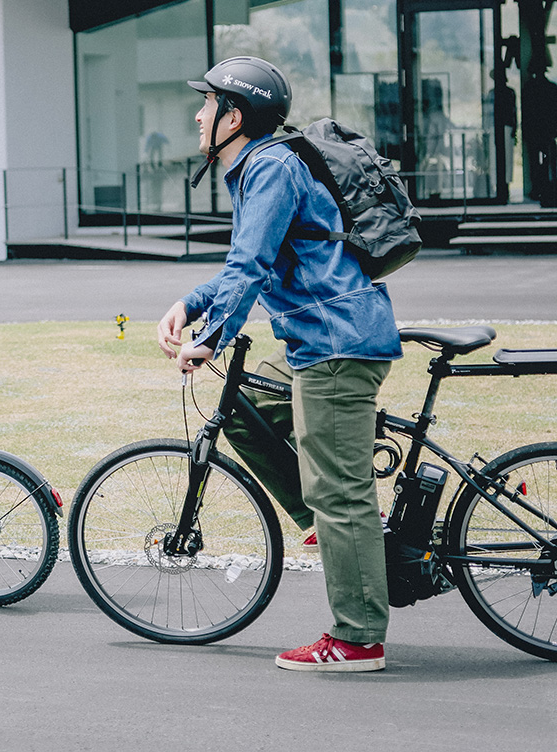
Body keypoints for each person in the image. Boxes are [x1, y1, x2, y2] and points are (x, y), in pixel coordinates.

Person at [155, 56, 402, 672]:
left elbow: (251, 267)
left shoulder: (269, 168)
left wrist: (208, 336)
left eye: (207, 105)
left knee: (342, 491)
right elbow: (247, 260)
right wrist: (190, 303)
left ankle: (357, 637)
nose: (198, 113)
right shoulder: (260, 168)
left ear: (234, 116)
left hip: (336, 345)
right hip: (320, 339)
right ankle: (320, 521)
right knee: (242, 402)